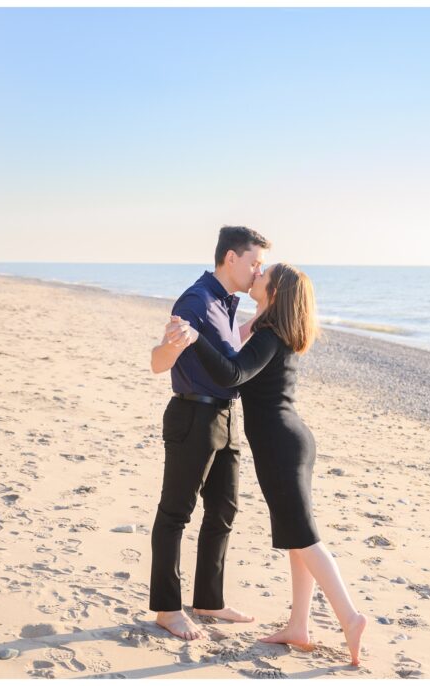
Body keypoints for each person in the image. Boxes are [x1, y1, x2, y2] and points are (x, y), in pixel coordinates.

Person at [166, 263, 367, 666]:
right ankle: (298, 626)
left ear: (274, 291)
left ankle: (349, 616)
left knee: (305, 538)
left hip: (281, 446)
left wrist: (195, 339)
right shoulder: (271, 330)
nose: (256, 274)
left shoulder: (271, 335)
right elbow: (236, 351)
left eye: (264, 274)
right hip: (291, 439)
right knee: (297, 537)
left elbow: (232, 374)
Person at [148, 225, 271, 640]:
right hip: (192, 417)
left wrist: (257, 323)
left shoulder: (226, 301)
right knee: (175, 514)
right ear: (231, 258)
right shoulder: (196, 298)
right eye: (254, 262)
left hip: (226, 415)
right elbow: (158, 362)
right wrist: (174, 345)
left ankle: (208, 600)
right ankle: (167, 609)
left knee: (223, 510)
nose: (259, 270)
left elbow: (225, 349)